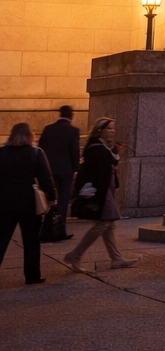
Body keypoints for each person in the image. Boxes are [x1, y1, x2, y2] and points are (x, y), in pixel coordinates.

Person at [65, 117, 139, 273]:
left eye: (113, 128)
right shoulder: (96, 148)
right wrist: (113, 155)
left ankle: (116, 258)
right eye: (109, 128)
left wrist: (114, 152)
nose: (113, 131)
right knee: (103, 223)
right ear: (100, 130)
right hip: (101, 192)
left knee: (109, 224)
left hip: (106, 190)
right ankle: (75, 254)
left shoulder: (101, 147)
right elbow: (98, 171)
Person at [0, 122, 56, 284]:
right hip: (28, 201)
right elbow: (45, 178)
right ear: (30, 135)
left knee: (1, 239)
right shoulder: (36, 153)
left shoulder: (1, 153)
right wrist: (52, 197)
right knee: (31, 240)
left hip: (3, 200)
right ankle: (32, 276)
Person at [38, 106, 78, 239]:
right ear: (71, 115)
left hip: (50, 169)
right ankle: (60, 229)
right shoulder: (73, 130)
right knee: (64, 199)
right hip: (66, 170)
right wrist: (76, 168)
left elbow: (41, 148)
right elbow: (74, 151)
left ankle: (48, 225)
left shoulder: (48, 129)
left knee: (51, 197)